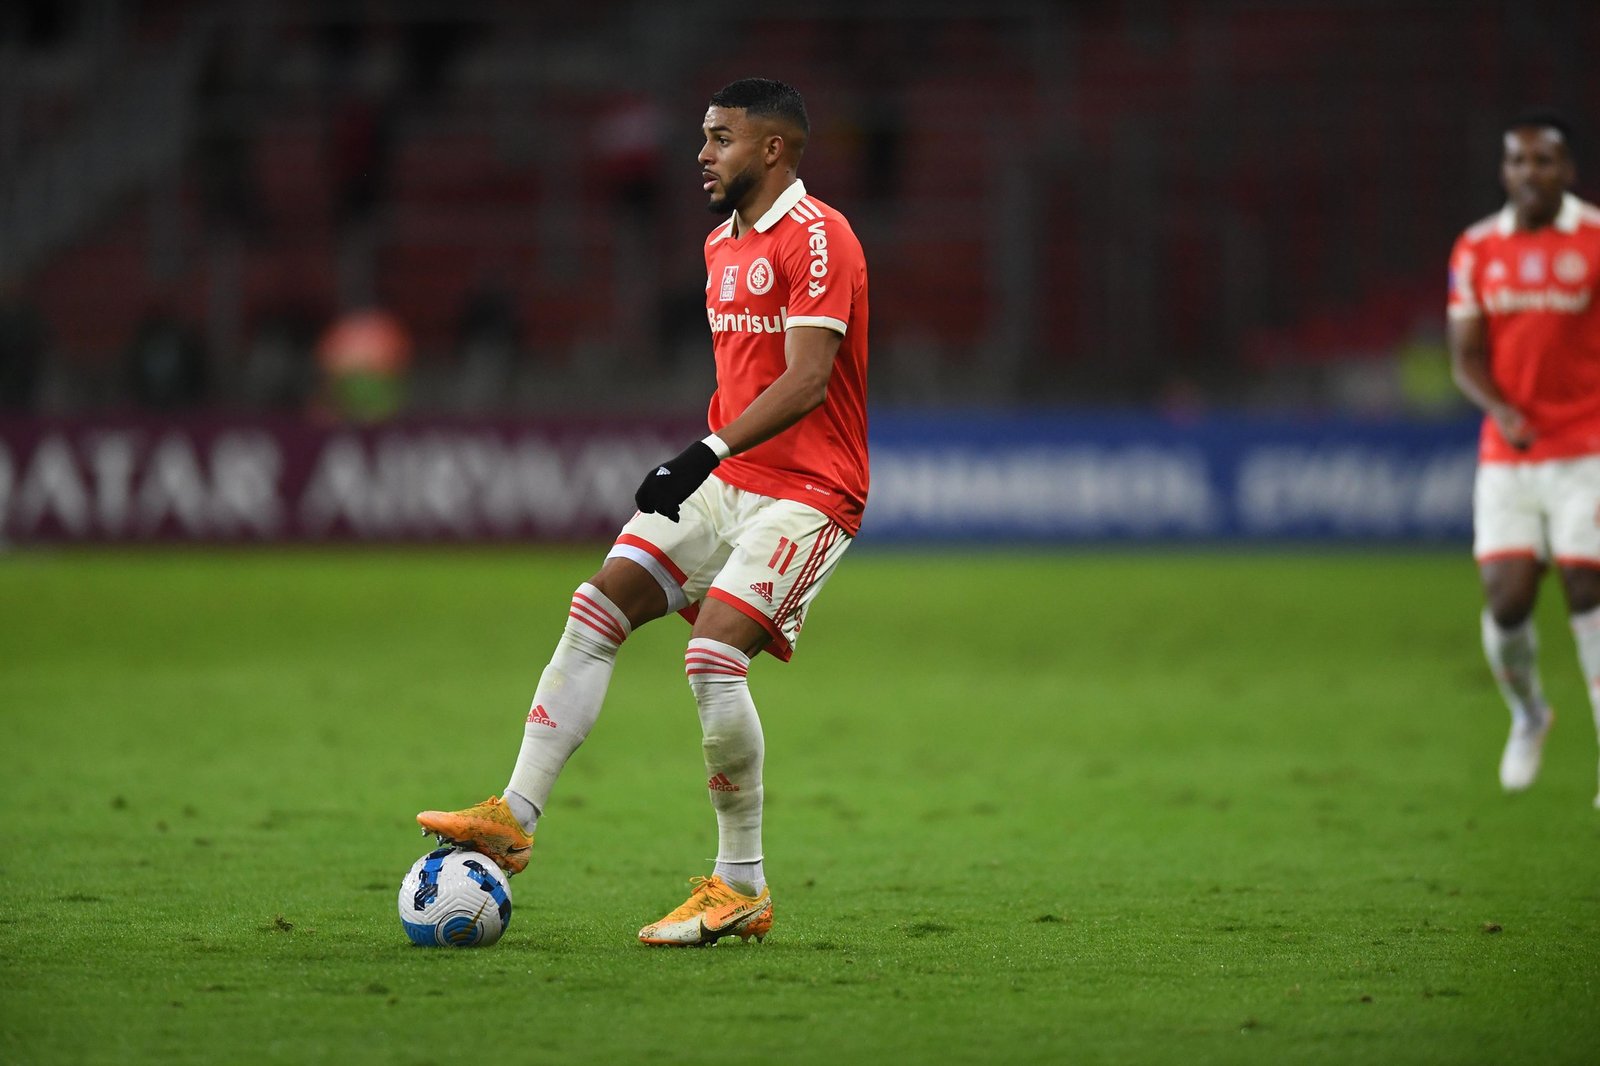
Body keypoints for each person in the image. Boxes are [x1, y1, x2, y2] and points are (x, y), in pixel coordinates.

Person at [417, 78, 871, 943]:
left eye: (722, 138)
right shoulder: (719, 245)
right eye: (704, 136)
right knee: (598, 605)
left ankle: (741, 886)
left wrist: (704, 451)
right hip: (730, 480)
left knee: (712, 658)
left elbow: (809, 379)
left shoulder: (821, 237)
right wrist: (716, 462)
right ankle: (514, 815)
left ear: (773, 148)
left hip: (810, 492)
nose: (703, 153)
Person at [1447, 112, 1600, 806]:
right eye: (1518, 161)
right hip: (1509, 452)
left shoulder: (1594, 238)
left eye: (1544, 161)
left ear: (1568, 170)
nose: (1530, 172)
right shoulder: (1477, 248)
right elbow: (1465, 357)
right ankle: (1530, 714)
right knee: (1507, 601)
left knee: (1586, 585)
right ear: (1503, 172)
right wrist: (1501, 409)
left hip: (1586, 447)